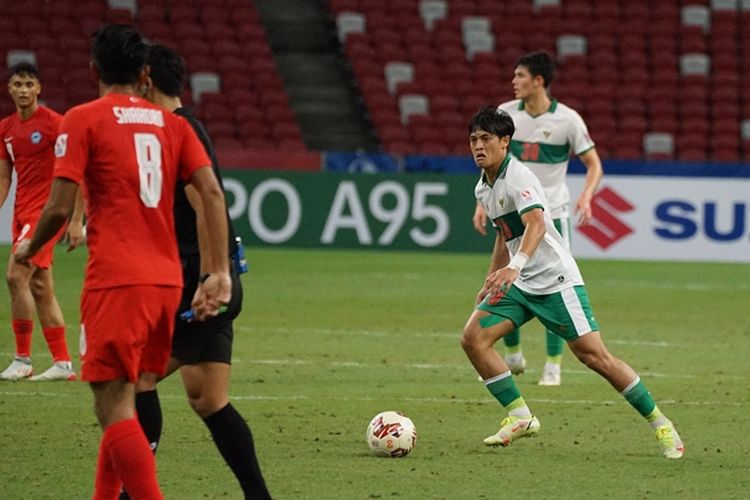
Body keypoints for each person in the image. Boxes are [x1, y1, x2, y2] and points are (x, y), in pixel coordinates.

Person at [14, 25, 232, 498]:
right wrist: (219, 273)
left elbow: (57, 205)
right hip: (166, 284)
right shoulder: (173, 125)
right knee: (125, 399)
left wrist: (30, 249)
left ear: (93, 69)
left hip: (116, 281)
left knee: (112, 406)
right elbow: (212, 192)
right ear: (144, 73)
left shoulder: (83, 118)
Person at [461, 106, 683, 459]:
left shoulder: (519, 179)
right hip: (520, 283)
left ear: (505, 142)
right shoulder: (483, 187)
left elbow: (534, 226)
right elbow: (505, 235)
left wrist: (514, 268)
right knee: (474, 338)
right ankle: (520, 417)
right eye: (473, 139)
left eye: (486, 139)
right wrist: (493, 277)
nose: (478, 146)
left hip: (554, 280)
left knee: (595, 357)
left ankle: (661, 424)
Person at [117, 43, 271, 500]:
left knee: (135, 381)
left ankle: (132, 495)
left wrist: (210, 275)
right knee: (208, 399)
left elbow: (205, 202)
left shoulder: (176, 129)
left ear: (145, 80)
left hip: (201, 283)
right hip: (215, 278)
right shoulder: (184, 126)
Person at [472, 51, 604, 386]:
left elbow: (594, 164)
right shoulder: (506, 114)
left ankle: (553, 365)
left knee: (552, 282)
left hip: (553, 213)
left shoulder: (568, 120)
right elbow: (493, 169)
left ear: (538, 81)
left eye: (519, 76)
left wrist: (587, 195)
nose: (513, 82)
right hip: (513, 212)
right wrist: (482, 204)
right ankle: (513, 355)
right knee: (508, 278)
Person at [0, 62, 76, 381]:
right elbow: (4, 176)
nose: (23, 90)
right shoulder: (5, 128)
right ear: (9, 89)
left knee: (15, 276)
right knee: (40, 287)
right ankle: (62, 363)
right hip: (21, 212)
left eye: (29, 84)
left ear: (39, 89)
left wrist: (76, 220)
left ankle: (22, 359)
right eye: (17, 84)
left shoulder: (54, 124)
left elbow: (77, 168)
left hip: (44, 213)